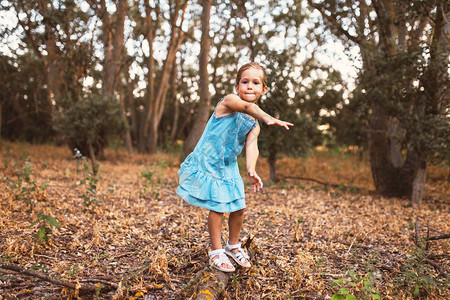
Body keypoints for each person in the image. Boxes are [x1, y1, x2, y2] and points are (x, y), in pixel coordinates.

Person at [177, 62, 293, 272]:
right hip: (209, 161)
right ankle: (216, 251)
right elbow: (248, 107)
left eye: (255, 83)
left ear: (263, 89)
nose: (249, 87)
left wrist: (251, 169)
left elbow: (251, 145)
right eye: (245, 82)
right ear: (237, 86)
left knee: (239, 207)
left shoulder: (254, 124)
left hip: (228, 166)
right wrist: (268, 117)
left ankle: (233, 245)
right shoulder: (229, 101)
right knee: (218, 206)